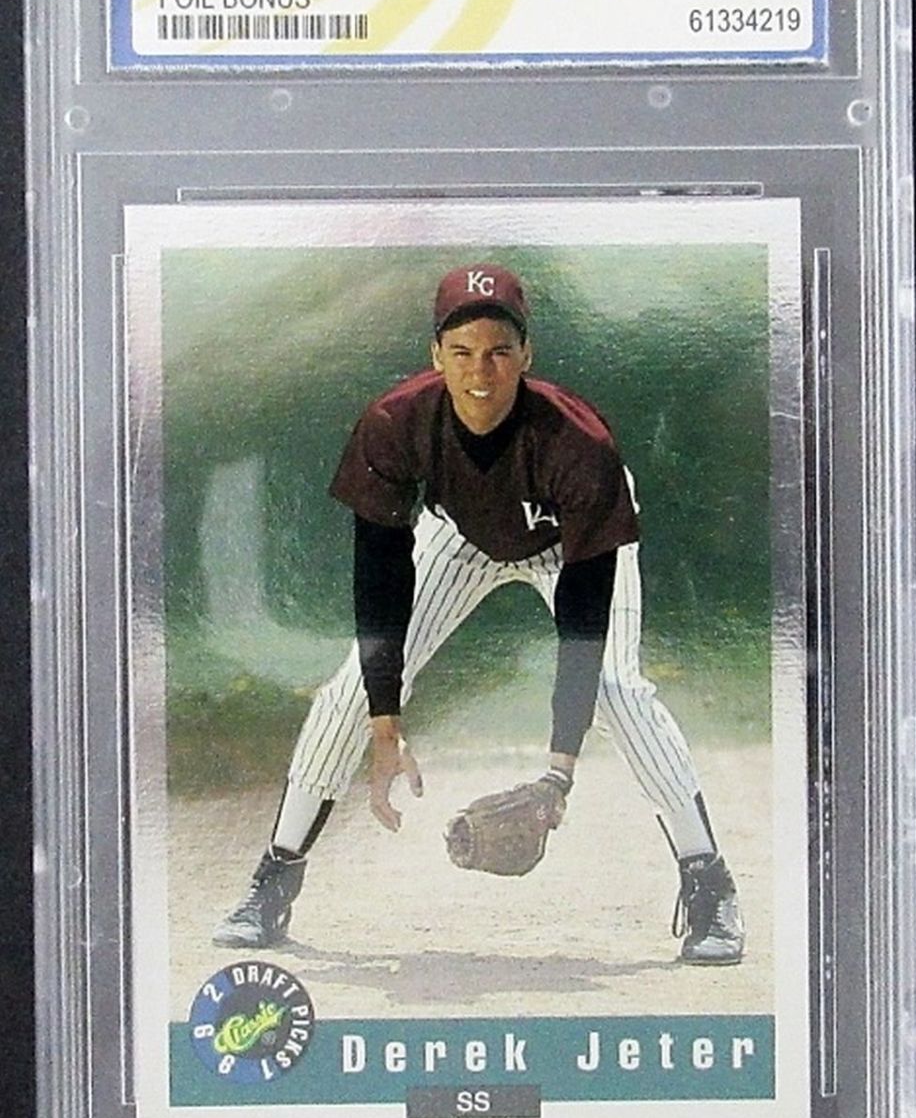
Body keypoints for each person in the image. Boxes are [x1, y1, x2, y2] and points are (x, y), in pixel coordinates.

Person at [214, 263, 745, 965]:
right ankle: (275, 877)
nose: (480, 371)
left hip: (569, 547)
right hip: (459, 537)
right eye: (461, 351)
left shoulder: (578, 445)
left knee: (618, 688)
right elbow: (380, 578)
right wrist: (384, 721)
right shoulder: (394, 423)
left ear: (526, 355)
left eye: (498, 351)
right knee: (350, 691)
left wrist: (557, 772)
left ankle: (709, 883)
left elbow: (582, 628)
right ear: (435, 355)